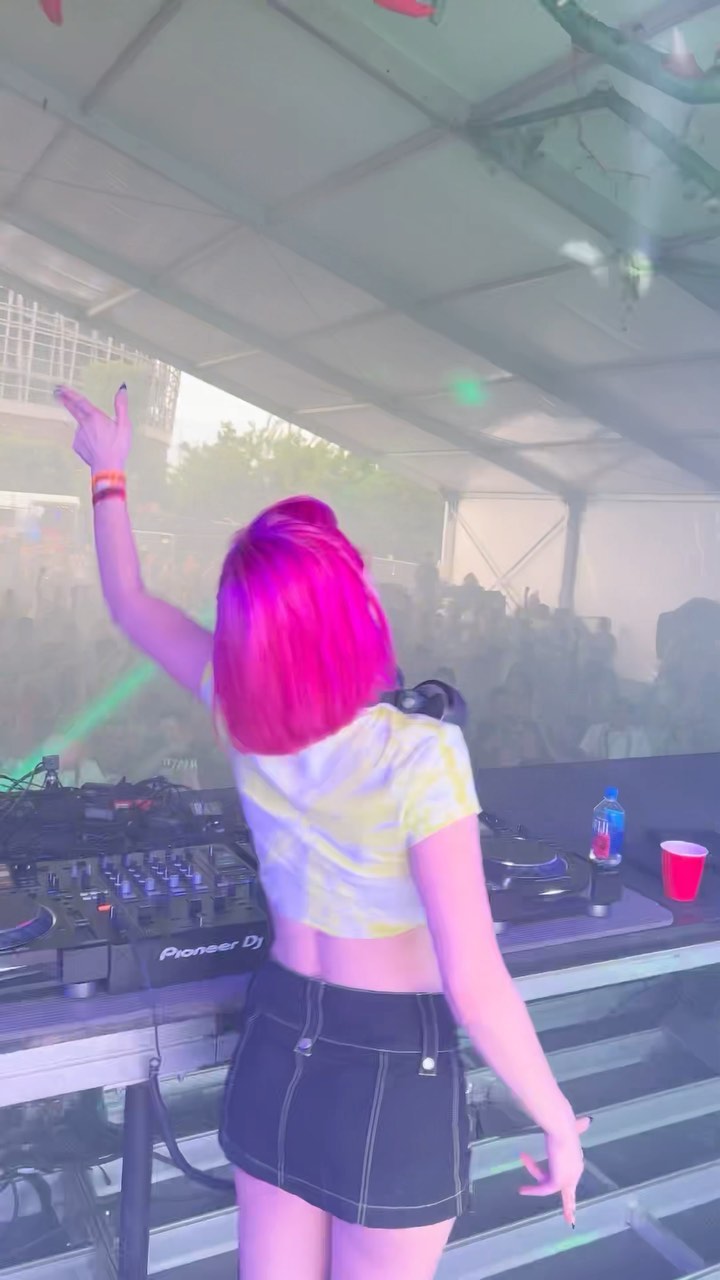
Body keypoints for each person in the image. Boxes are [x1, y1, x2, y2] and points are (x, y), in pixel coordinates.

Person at [56, 384, 588, 1280]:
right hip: (392, 1063)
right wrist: (557, 1120)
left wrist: (110, 473)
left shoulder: (237, 706)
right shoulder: (419, 754)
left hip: (276, 1038)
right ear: (350, 615)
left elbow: (131, 603)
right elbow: (474, 980)